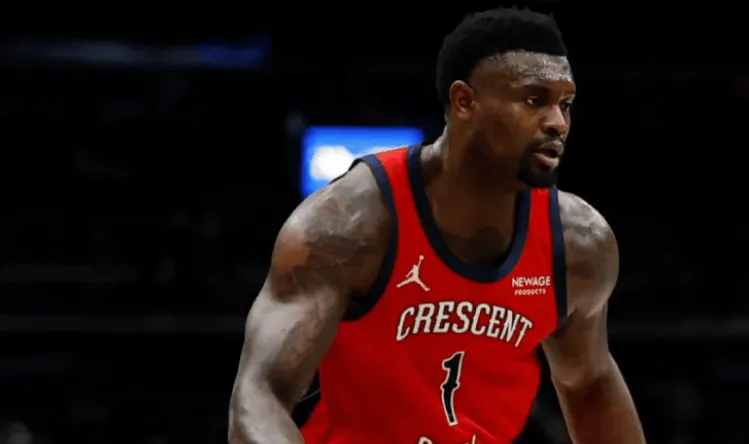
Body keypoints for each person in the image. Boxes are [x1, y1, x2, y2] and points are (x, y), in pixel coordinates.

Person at [229, 7, 646, 444]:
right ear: (464, 101)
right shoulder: (349, 225)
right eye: (533, 100)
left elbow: (589, 384)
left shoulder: (579, 244)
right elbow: (258, 398)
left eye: (565, 104)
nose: (558, 122)